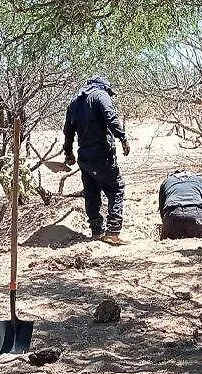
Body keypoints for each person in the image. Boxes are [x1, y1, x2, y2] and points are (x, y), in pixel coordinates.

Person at [63, 75, 130, 246]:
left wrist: (68, 152)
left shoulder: (74, 102)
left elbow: (68, 130)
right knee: (116, 188)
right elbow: (111, 117)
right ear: (104, 87)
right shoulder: (100, 95)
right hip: (102, 153)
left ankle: (96, 231)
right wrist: (122, 138)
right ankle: (113, 232)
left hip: (84, 157)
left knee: (91, 193)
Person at [158, 169, 202, 239]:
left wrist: (166, 224)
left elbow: (162, 210)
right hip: (196, 217)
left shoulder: (167, 181)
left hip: (173, 216)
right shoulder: (199, 180)